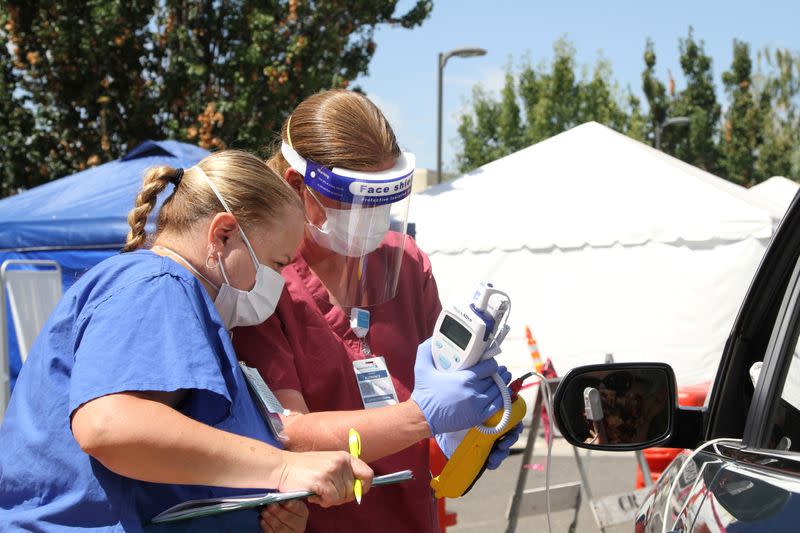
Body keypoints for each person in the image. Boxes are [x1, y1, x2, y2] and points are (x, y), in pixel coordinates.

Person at [0, 150, 374, 532]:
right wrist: (284, 467)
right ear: (224, 233)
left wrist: (265, 505)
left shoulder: (184, 301)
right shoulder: (157, 285)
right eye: (277, 263)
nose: (278, 284)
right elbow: (109, 426)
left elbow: (177, 465)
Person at [234, 90, 523, 532]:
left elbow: (440, 407)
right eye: (357, 202)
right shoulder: (265, 281)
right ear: (297, 186)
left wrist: (475, 431)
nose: (371, 218)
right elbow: (288, 433)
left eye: (382, 200)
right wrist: (419, 417)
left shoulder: (407, 264)